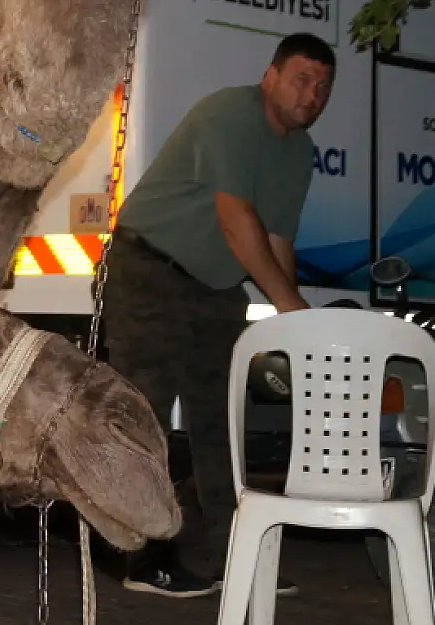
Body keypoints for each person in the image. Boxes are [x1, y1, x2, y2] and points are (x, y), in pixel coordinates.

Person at [102, 32, 335, 598]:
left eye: (323, 87)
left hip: (215, 289)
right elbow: (237, 220)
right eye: (301, 79)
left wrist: (291, 318)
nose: (311, 95)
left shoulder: (299, 153)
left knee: (220, 423)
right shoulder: (231, 114)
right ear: (270, 76)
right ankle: (138, 558)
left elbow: (277, 239)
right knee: (145, 414)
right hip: (150, 269)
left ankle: (231, 554)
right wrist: (292, 309)